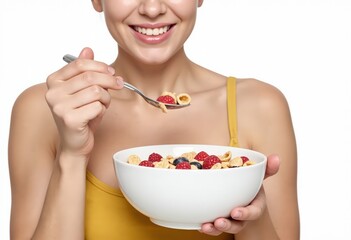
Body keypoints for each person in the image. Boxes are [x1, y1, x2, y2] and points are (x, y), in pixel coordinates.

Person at [8, 0, 299, 239]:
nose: (151, 8)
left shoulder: (260, 106)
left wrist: (252, 214)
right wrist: (71, 155)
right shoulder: (46, 109)